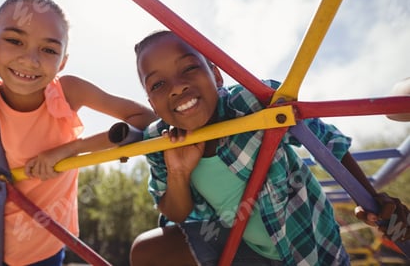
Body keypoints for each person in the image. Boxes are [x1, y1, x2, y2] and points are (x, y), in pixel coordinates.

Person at [0, 0, 157, 266]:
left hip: (43, 250)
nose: (30, 59)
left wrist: (70, 149)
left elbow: (144, 118)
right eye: (15, 41)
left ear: (62, 62)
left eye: (49, 49)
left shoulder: (68, 92)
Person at [129, 30, 409, 266]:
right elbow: (175, 213)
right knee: (147, 250)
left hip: (306, 243)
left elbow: (327, 142)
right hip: (238, 247)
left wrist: (369, 198)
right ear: (152, 103)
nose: (176, 88)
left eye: (189, 67)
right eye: (158, 84)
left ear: (215, 75)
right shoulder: (160, 141)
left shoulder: (253, 103)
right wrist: (179, 173)